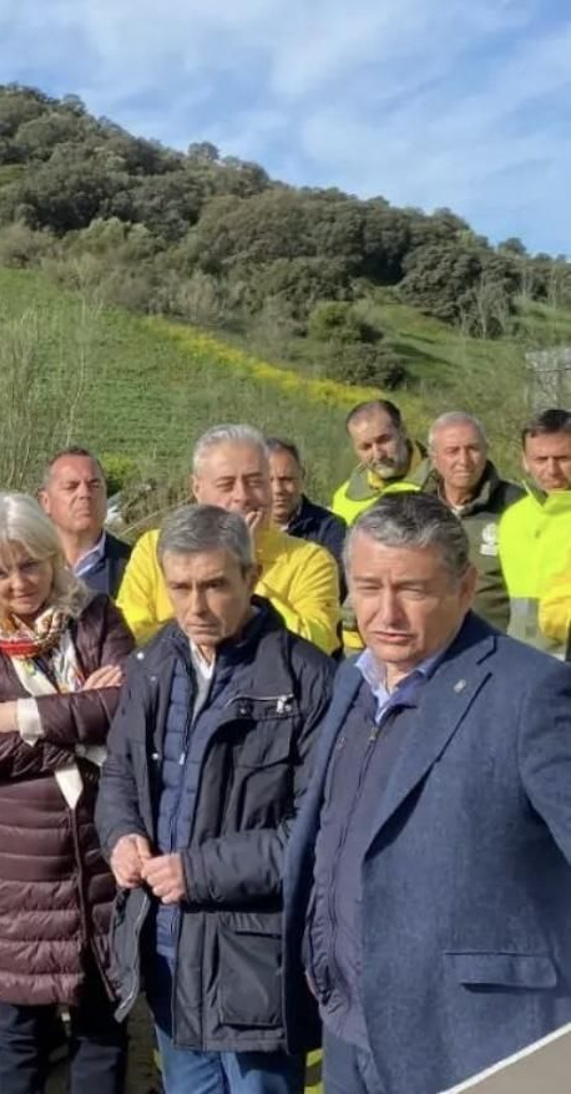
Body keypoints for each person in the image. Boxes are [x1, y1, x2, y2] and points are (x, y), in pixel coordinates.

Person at [282, 492, 571, 1094]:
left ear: (465, 588)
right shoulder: (352, 681)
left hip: (477, 1042)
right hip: (350, 1027)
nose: (385, 612)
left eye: (412, 590)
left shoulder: (533, 696)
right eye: (366, 587)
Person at [98, 504, 333, 1094]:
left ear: (251, 579)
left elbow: (316, 830)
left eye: (214, 586)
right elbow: (120, 778)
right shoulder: (151, 667)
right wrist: (121, 835)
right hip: (167, 953)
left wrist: (197, 871)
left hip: (256, 963)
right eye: (180, 587)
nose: (196, 607)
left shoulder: (305, 682)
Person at [0, 493, 133, 1094]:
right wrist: (79, 727)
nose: (19, 583)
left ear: (54, 559)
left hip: (98, 853)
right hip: (15, 868)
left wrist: (24, 714)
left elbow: (127, 710)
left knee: (103, 1022)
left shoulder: (97, 617)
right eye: (0, 572)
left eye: (30, 565)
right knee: (22, 1024)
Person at [118, 424, 340, 654]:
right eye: (226, 485)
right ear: (197, 488)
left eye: (255, 482)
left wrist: (241, 561)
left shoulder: (310, 561)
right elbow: (131, 634)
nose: (242, 496)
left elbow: (314, 645)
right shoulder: (155, 548)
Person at [422, 412, 524, 632]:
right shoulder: (417, 509)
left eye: (473, 449)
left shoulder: (518, 507)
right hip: (431, 643)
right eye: (452, 451)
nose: (464, 461)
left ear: (486, 451)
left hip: (497, 645)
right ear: (433, 457)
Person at [500, 408, 571, 659]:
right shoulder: (512, 519)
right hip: (520, 663)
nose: (552, 470)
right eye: (541, 460)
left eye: (563, 458)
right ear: (525, 461)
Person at [39, 448, 132, 598]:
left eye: (94, 485)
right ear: (45, 501)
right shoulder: (24, 566)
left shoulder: (133, 567)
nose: (85, 494)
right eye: (71, 486)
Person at [329, 400, 430, 527]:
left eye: (383, 440)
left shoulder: (443, 482)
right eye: (366, 447)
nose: (378, 455)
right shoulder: (343, 498)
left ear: (403, 432)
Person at [266, 438, 347, 571]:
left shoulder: (329, 529)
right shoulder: (243, 529)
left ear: (302, 478)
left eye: (286, 479)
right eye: (268, 480)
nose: (278, 490)